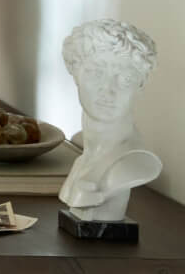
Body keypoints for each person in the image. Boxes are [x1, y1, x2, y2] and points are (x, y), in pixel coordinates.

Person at [59, 19, 162, 221]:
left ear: (140, 85)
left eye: (125, 79)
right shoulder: (83, 153)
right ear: (75, 73)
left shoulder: (133, 161)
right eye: (96, 73)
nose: (108, 90)